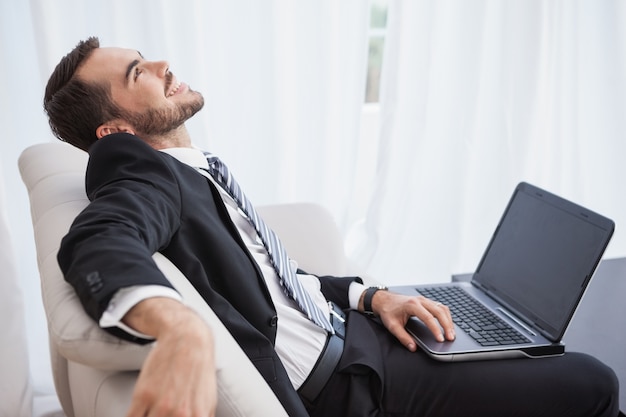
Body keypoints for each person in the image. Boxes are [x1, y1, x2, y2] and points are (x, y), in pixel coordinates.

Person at [43, 37, 619, 417]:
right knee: (594, 382)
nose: (165, 63)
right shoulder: (136, 170)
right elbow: (101, 238)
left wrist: (370, 296)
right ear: (115, 132)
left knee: (536, 346)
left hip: (361, 333)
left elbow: (269, 277)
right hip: (351, 385)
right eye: (139, 71)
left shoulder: (191, 171)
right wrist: (179, 328)